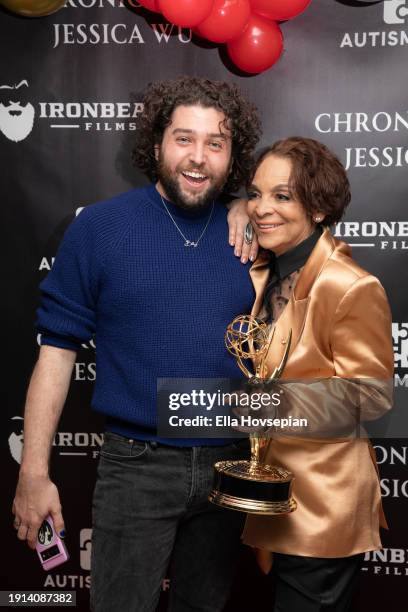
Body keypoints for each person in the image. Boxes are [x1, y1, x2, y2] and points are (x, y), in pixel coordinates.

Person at [12, 76, 261, 612]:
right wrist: (33, 473)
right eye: (183, 138)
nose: (198, 157)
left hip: (231, 464)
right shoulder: (100, 228)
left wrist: (248, 208)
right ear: (156, 145)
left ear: (232, 157)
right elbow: (56, 355)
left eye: (215, 143)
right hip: (137, 466)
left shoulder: (255, 233)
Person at [241, 137, 394, 611]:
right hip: (265, 497)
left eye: (282, 196)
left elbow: (371, 396)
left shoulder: (349, 286)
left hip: (321, 504)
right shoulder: (261, 272)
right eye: (255, 193)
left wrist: (265, 404)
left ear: (321, 209)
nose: (261, 209)